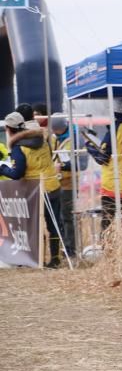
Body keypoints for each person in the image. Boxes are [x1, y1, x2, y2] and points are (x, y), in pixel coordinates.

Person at [0, 112, 62, 268]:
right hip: (53, 186)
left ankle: (37, 259)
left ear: (8, 129)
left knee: (36, 225)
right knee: (53, 225)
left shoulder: (18, 147)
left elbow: (17, 173)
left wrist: (2, 169)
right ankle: (55, 259)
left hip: (36, 191)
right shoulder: (43, 141)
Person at [85, 98, 122, 231]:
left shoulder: (114, 131)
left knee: (107, 223)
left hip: (113, 184)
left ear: (113, 112)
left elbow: (102, 159)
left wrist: (90, 145)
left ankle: (107, 251)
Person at [50, 113, 88, 258]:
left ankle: (70, 250)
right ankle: (63, 248)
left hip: (70, 184)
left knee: (67, 217)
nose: (52, 132)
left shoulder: (76, 139)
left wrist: (63, 166)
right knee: (58, 217)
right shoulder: (54, 138)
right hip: (55, 183)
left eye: (54, 129)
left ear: (59, 128)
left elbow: (83, 165)